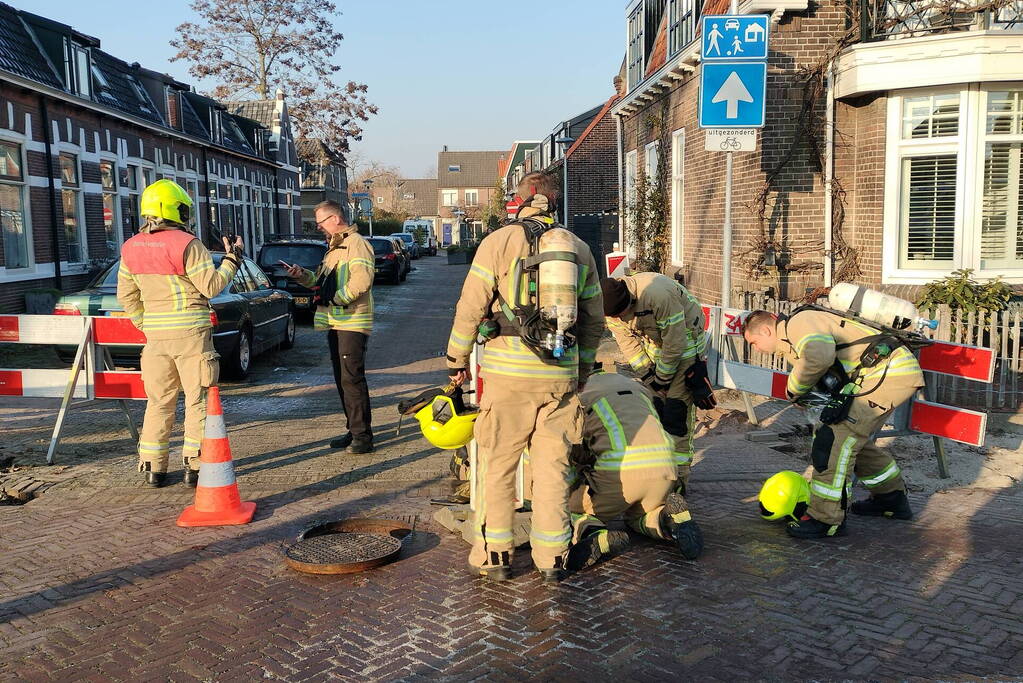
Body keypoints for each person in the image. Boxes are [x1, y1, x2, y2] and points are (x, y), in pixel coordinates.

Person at [445, 171, 603, 584]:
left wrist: (456, 358)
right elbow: (592, 321)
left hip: (507, 377)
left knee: (498, 465)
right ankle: (552, 557)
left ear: (522, 200)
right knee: (553, 469)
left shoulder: (497, 242)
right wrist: (582, 370)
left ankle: (494, 554)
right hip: (559, 377)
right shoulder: (578, 248)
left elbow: (470, 306)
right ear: (555, 201)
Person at [742, 308, 925, 539]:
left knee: (831, 443)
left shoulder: (798, 323)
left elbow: (819, 358)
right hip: (888, 373)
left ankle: (825, 519)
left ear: (767, 330)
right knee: (851, 441)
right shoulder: (795, 333)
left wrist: (794, 391)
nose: (756, 349)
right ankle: (891, 500)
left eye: (754, 342)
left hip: (886, 374)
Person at [117, 179, 242, 487]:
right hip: (191, 335)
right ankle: (195, 465)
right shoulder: (188, 244)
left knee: (159, 401)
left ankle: (153, 468)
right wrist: (232, 259)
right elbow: (211, 286)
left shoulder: (131, 247)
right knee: (198, 399)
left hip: (156, 339)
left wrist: (146, 324)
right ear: (176, 209)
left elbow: (127, 296)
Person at [566, 370, 704, 571]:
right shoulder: (638, 388)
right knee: (636, 518)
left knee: (568, 509)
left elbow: (573, 450)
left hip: (621, 477)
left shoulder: (578, 396)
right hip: (665, 471)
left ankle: (596, 536)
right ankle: (667, 519)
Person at [600, 273, 715, 494]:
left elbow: (676, 344)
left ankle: (677, 483)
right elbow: (630, 347)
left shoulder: (658, 295)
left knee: (676, 414)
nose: (623, 319)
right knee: (654, 411)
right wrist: (649, 378)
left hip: (685, 345)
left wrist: (662, 379)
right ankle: (656, 474)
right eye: (617, 317)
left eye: (625, 314)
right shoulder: (609, 311)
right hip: (656, 346)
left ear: (631, 300)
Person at [283, 201, 375, 454]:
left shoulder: (356, 244)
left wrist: (337, 299)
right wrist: (301, 275)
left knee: (352, 379)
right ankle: (353, 429)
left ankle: (362, 437)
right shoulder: (335, 248)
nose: (319, 228)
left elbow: (362, 281)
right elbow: (321, 283)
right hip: (337, 322)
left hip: (351, 322)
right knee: (343, 379)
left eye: (321, 223)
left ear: (335, 219)